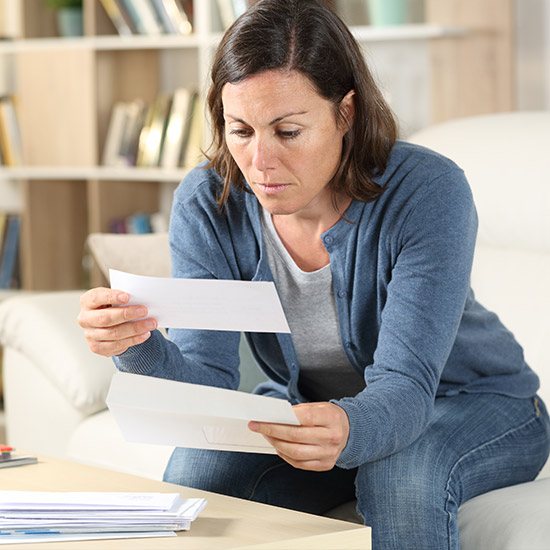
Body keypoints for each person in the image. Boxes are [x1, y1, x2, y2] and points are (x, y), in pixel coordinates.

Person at [78, 1, 550, 548]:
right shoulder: (210, 202)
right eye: (241, 130)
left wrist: (350, 430)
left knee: (399, 475)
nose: (260, 161)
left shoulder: (428, 191)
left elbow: (406, 387)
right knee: (198, 474)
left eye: (288, 131)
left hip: (473, 403)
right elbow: (207, 384)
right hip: (315, 411)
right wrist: (134, 345)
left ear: (345, 113)